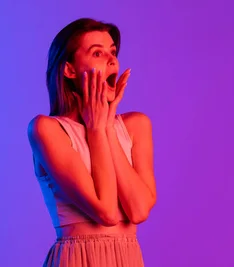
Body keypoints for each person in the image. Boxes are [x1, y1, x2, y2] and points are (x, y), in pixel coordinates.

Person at [27, 18, 157, 267]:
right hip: (77, 259)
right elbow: (106, 212)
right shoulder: (47, 129)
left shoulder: (136, 125)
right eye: (97, 52)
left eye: (113, 52)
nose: (111, 60)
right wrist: (96, 129)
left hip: (128, 259)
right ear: (69, 70)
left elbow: (139, 210)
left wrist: (106, 125)